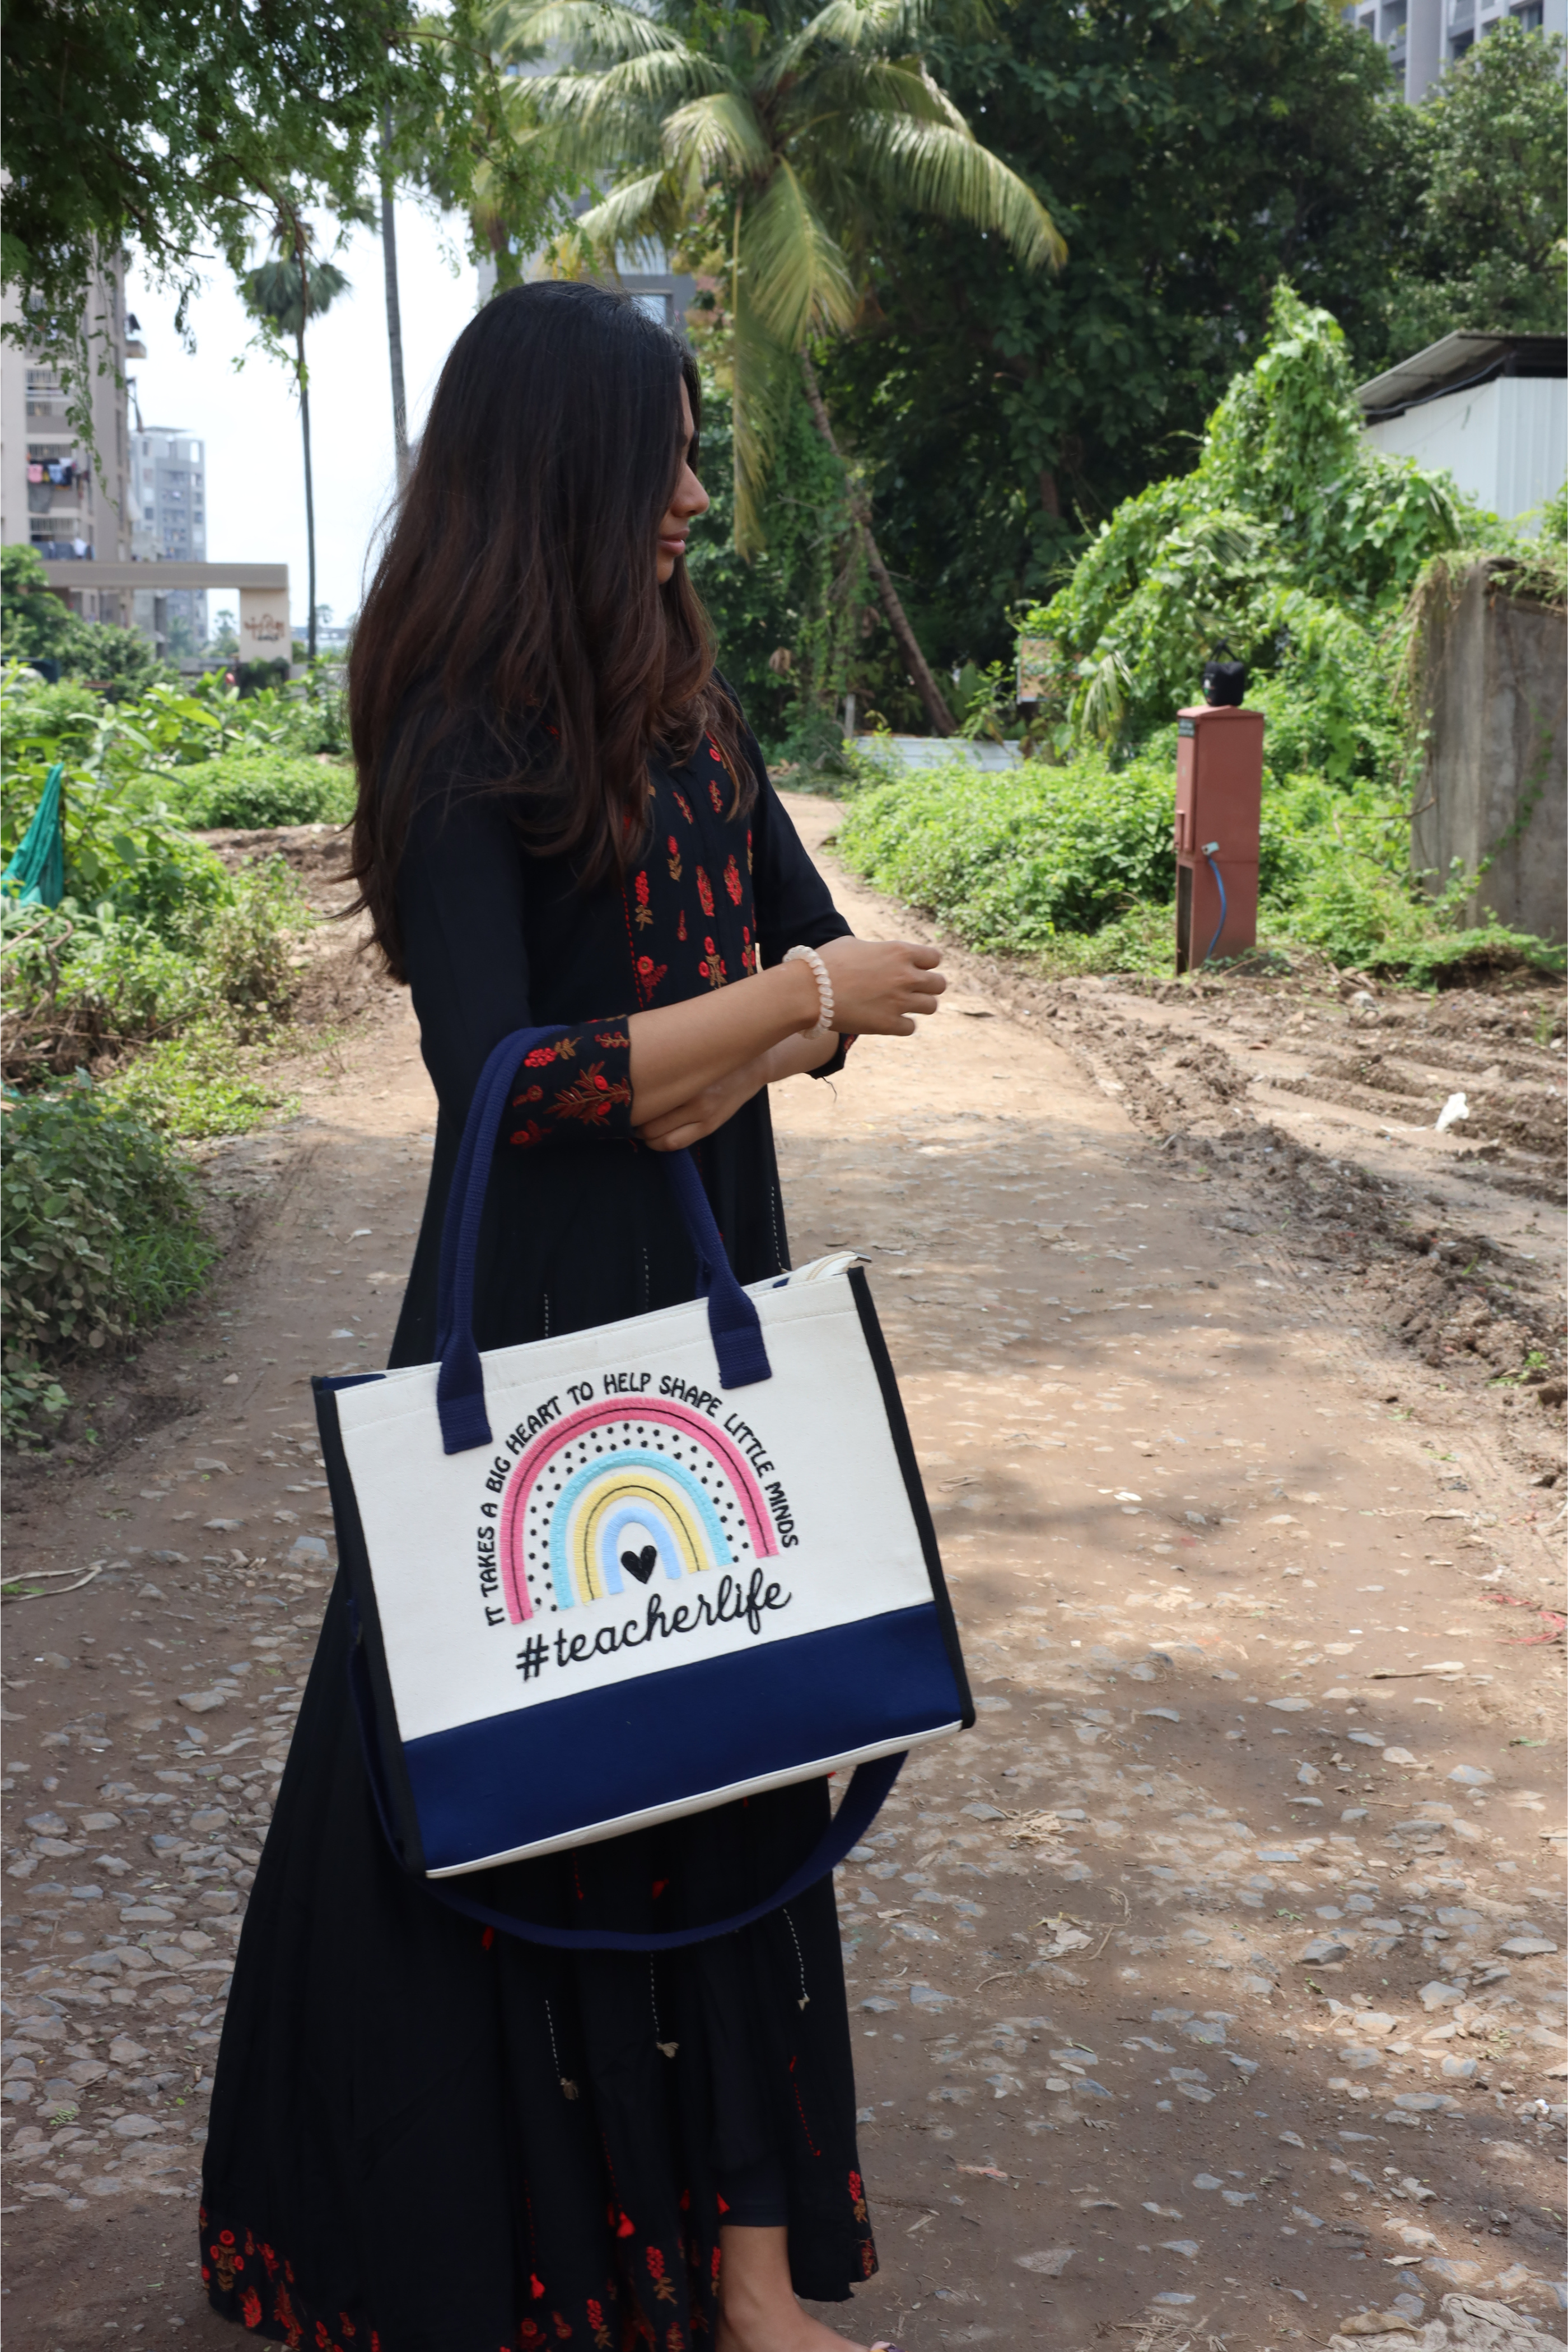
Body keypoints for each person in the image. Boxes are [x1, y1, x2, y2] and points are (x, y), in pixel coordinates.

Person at [199, 279, 942, 2352]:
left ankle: (755, 2269)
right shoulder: (464, 734)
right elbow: (506, 1082)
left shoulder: (695, 715)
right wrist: (768, 1025)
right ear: (574, 472)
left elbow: (812, 956)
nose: (698, 492)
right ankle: (497, 2249)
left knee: (741, 1732)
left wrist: (749, 1034)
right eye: (672, 455)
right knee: (519, 1731)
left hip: (700, 1285)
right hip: (531, 1314)